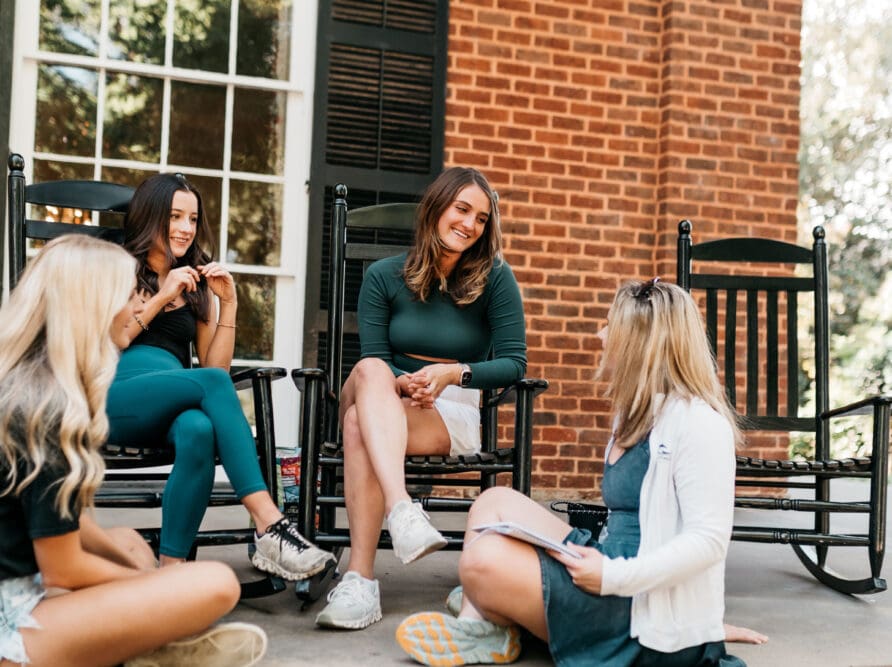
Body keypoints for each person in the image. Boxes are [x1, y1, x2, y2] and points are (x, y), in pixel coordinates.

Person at [395, 278, 769, 665]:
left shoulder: (699, 424)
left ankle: (489, 610)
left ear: (639, 343)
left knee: (481, 560)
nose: (599, 333)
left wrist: (615, 578)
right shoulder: (637, 411)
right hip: (609, 558)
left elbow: (708, 542)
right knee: (494, 502)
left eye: (610, 325)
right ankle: (486, 623)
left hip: (635, 601)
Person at [0, 234, 267, 667]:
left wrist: (144, 583)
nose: (139, 309)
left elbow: (65, 524)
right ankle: (156, 644)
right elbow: (63, 568)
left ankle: (149, 648)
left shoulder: (37, 387)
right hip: (12, 625)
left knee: (128, 541)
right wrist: (149, 590)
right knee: (216, 583)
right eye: (129, 298)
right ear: (92, 308)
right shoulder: (42, 408)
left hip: (25, 588)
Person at [314, 167, 527, 630]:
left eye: (482, 218)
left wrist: (454, 372)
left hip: (449, 409)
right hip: (385, 390)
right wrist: (401, 382)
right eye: (462, 209)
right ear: (437, 208)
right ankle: (401, 508)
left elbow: (514, 365)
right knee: (369, 370)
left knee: (355, 427)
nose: (470, 224)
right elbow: (374, 357)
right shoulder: (382, 276)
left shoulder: (495, 279)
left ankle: (361, 581)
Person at [105, 172, 334, 578]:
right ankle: (270, 523)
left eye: (192, 220)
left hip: (169, 404)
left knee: (197, 429)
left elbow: (215, 371)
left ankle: (171, 572)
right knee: (209, 391)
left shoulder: (195, 284)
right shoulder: (117, 268)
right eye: (175, 216)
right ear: (150, 215)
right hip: (116, 398)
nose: (185, 229)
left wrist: (227, 306)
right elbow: (115, 341)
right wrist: (161, 297)